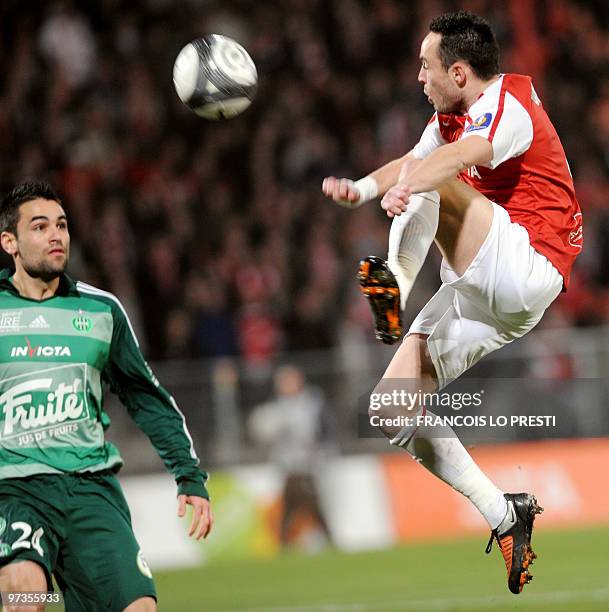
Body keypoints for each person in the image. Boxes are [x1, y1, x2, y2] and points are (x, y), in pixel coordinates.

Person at [322, 11, 582, 595]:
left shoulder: (511, 103)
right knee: (391, 409)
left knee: (438, 178)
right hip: (484, 289)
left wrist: (410, 186)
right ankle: (503, 513)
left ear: (459, 71)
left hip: (527, 264)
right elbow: (417, 163)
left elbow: (452, 161)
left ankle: (395, 285)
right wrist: (364, 188)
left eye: (425, 65)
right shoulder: (451, 116)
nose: (418, 76)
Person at [0, 181, 213, 611]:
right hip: (14, 492)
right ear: (10, 242)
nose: (55, 235)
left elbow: (145, 397)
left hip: (89, 493)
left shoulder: (100, 311)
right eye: (39, 227)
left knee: (139, 608)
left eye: (61, 225)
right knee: (26, 596)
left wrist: (188, 474)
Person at [248, 365, 333, 549]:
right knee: (301, 506)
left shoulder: (312, 403)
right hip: (288, 466)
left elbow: (322, 432)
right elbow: (264, 434)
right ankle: (294, 542)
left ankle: (288, 542)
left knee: (302, 506)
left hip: (308, 465)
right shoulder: (276, 408)